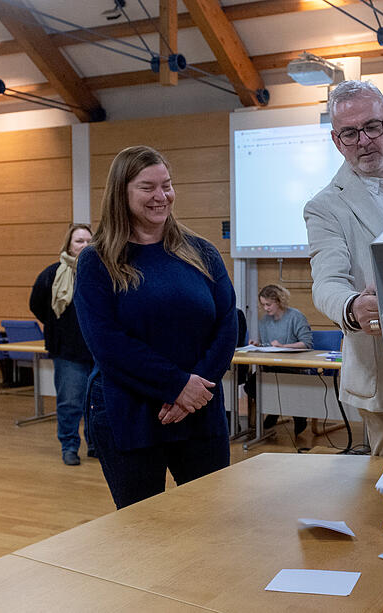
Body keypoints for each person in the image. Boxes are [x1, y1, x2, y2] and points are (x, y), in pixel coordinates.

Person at [74, 145, 237, 509]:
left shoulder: (201, 251)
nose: (161, 196)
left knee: (211, 522)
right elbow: (107, 343)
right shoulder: (96, 261)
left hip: (200, 408)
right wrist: (177, 385)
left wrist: (194, 390)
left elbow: (227, 323)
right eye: (148, 187)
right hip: (128, 413)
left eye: (167, 185)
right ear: (122, 191)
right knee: (144, 533)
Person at [303, 80, 383, 456]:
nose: (362, 140)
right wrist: (352, 307)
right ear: (336, 140)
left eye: (372, 127)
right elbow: (327, 281)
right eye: (349, 133)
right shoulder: (325, 206)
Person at [29, 223, 95, 466]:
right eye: (79, 241)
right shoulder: (51, 274)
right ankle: (69, 446)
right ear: (68, 244)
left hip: (98, 352)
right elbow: (37, 305)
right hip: (67, 352)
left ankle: (96, 445)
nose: (85, 245)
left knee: (97, 403)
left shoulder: (101, 271)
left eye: (89, 241)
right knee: (70, 402)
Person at [250, 284, 313, 435]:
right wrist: (258, 345)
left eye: (268, 304)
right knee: (252, 384)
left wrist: (284, 346)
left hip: (294, 367)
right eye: (263, 304)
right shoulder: (265, 321)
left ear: (279, 301)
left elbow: (306, 344)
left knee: (280, 381)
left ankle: (292, 415)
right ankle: (275, 410)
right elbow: (269, 345)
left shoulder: (295, 316)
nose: (265, 308)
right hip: (273, 366)